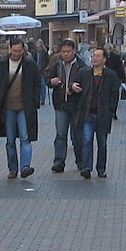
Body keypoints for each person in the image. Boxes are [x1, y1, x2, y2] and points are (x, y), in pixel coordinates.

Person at [0, 38, 43, 179]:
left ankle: (25, 167)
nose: (17, 54)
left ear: (23, 50)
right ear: (9, 49)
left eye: (20, 51)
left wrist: (35, 101)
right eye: (14, 51)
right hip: (8, 108)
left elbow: (37, 83)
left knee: (25, 138)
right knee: (10, 140)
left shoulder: (30, 64)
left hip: (25, 107)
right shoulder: (1, 64)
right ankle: (13, 169)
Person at [71, 46, 121, 179]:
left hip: (103, 114)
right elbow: (74, 84)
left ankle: (101, 168)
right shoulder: (84, 72)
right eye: (94, 55)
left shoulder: (110, 75)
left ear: (104, 59)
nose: (95, 58)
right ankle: (87, 167)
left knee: (102, 142)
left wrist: (111, 110)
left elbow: (115, 94)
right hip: (87, 113)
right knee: (87, 140)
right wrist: (72, 86)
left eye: (98, 56)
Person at [45, 38, 84, 172]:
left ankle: (81, 161)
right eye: (63, 52)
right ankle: (59, 162)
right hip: (60, 104)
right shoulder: (57, 64)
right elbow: (47, 79)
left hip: (75, 105)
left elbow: (85, 83)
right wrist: (51, 81)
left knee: (77, 134)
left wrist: (74, 86)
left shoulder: (81, 66)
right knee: (61, 134)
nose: (66, 54)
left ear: (74, 51)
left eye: (68, 51)